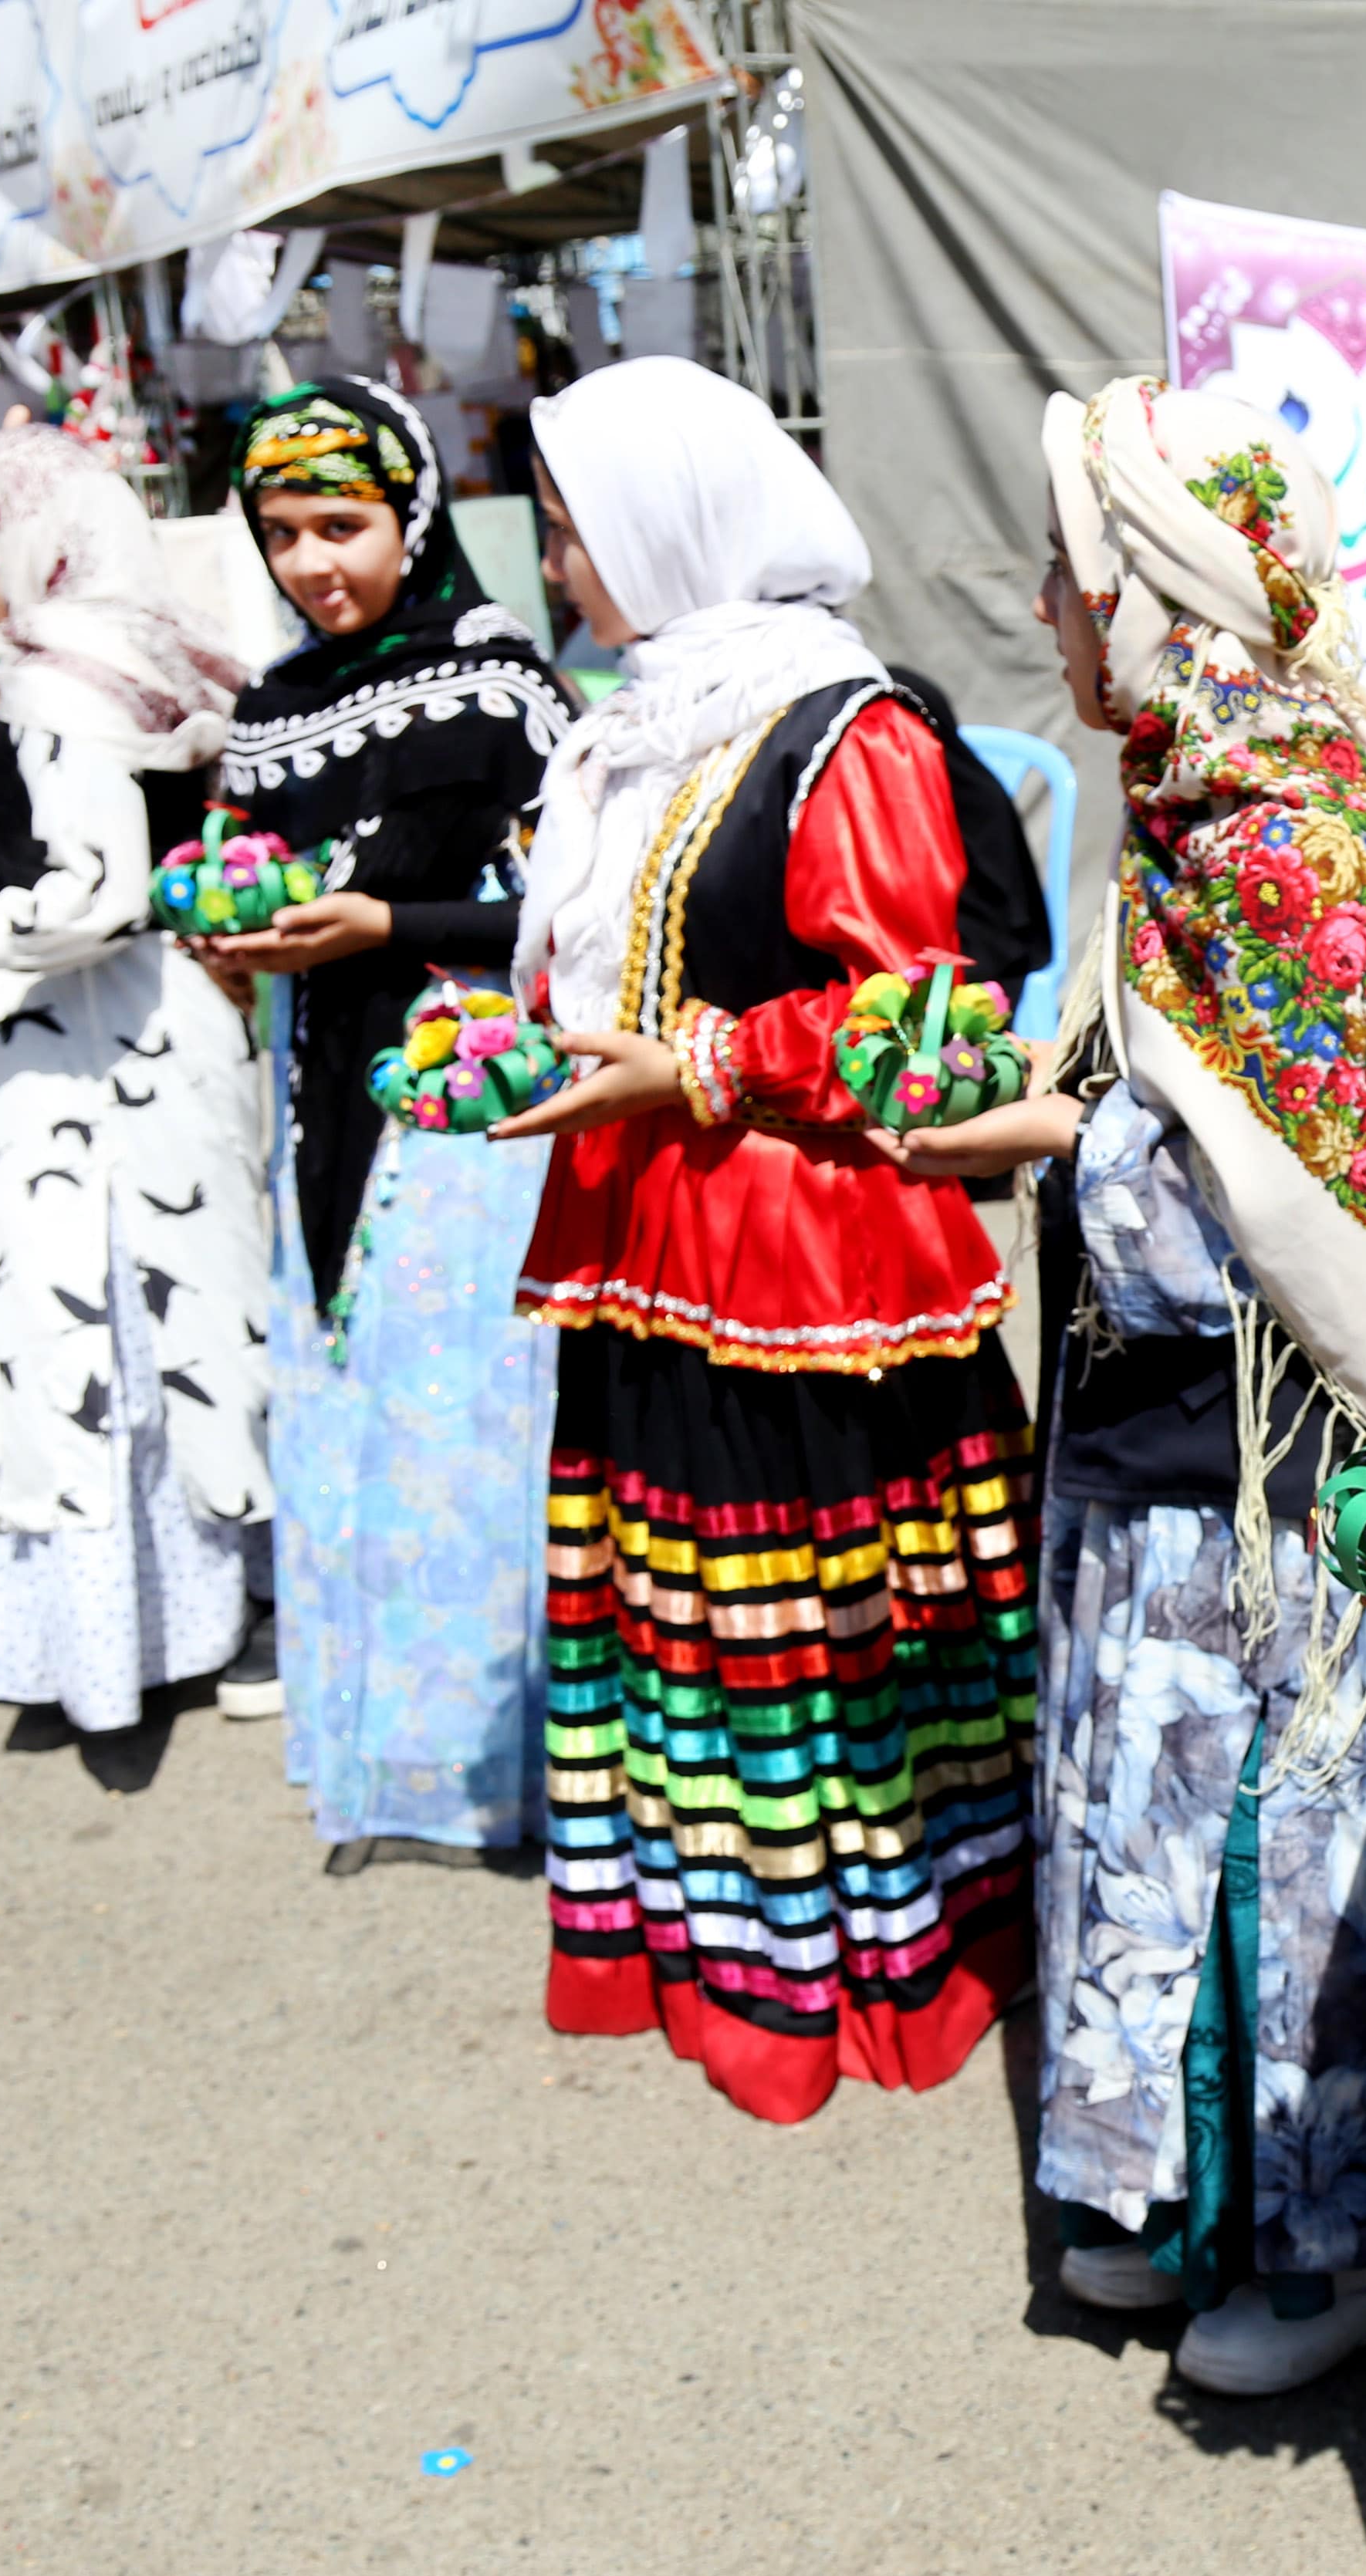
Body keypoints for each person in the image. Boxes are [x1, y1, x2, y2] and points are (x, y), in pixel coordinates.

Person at [901, 376, 1366, 2392]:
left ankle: (1348, 2240)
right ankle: (1172, 2200)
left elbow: (1302, 1197)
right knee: (1143, 1816)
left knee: (1281, 1827)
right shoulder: (1180, 809)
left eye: (1075, 587)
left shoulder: (1291, 835)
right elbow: (1155, 1111)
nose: (1054, 625)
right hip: (1170, 1438)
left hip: (1280, 1452)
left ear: (1158, 591)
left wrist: (1062, 1144)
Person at [490, 356, 1046, 2126]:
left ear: (672, 527)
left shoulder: (840, 729)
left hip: (806, 1255)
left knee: (820, 1617)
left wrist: (706, 1058)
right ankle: (720, 1947)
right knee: (683, 1609)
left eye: (577, 534)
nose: (561, 571)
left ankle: (848, 1970)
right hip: (647, 1226)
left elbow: (921, 1014)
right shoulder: (640, 720)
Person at [198, 377, 579, 1864]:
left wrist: (388, 921)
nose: (313, 564)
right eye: (283, 533)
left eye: (342, 524)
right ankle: (381, 1750)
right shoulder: (272, 701)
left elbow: (571, 909)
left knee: (463, 1430)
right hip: (317, 1097)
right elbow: (237, 871)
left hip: (458, 1120)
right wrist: (225, 929)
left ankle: (493, 1771)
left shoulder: (498, 686)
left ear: (412, 516)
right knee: (352, 1412)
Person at [0, 426, 274, 1737]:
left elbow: (89, 892)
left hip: (91, 1055)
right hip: (156, 1038)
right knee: (190, 1314)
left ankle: (144, 1631)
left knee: (87, 1319)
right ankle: (226, 1601)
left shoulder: (61, 681)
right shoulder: (142, 647)